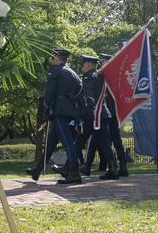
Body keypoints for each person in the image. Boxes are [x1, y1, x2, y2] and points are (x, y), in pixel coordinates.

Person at [30, 48, 83, 184]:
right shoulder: (73, 74)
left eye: (54, 57)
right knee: (51, 143)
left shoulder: (55, 70)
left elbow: (50, 91)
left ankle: (74, 172)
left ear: (57, 58)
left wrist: (47, 108)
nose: (54, 59)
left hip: (59, 110)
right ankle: (38, 170)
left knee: (67, 142)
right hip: (70, 110)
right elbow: (80, 90)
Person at [82, 53, 129, 177]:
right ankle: (121, 167)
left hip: (105, 112)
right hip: (109, 111)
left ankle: (89, 166)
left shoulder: (106, 77)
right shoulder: (111, 76)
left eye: (103, 62)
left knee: (104, 139)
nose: (101, 64)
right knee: (103, 139)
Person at [75, 55, 119, 180]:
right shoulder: (101, 76)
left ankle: (71, 168)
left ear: (88, 65)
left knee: (79, 141)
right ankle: (112, 169)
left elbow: (88, 96)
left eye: (84, 64)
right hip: (103, 113)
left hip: (93, 115)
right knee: (105, 143)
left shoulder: (88, 76)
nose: (83, 67)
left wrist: (88, 109)